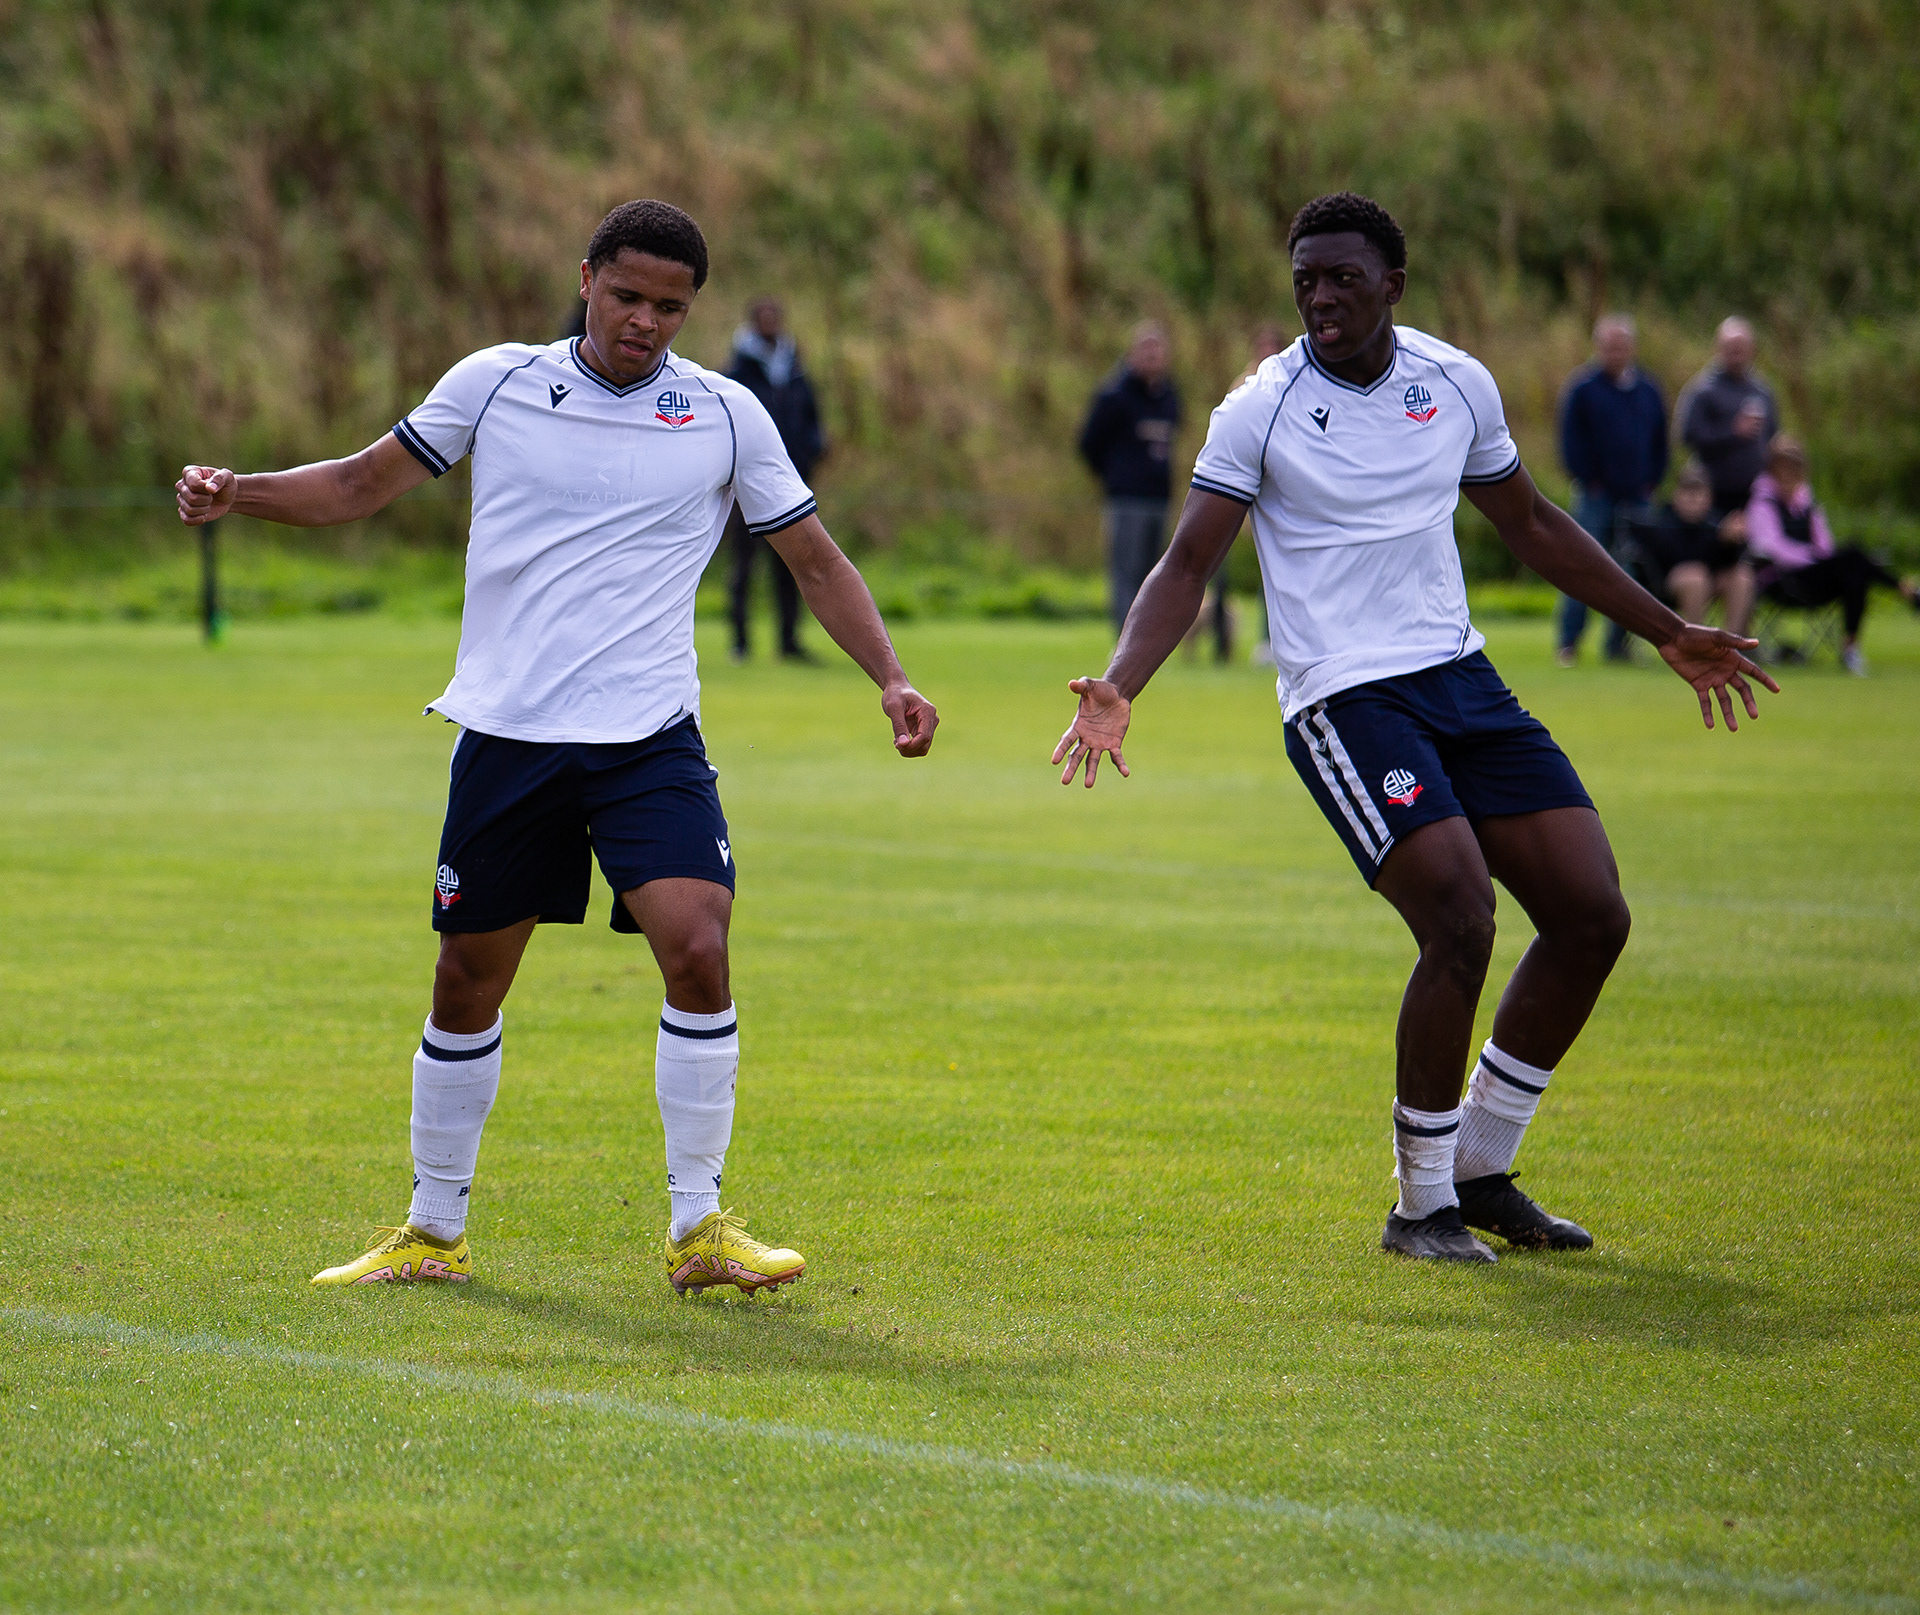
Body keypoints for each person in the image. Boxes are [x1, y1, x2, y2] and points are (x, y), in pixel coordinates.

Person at [175, 200, 939, 1295]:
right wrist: (237, 492)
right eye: (627, 296)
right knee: (467, 982)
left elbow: (813, 557)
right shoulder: (495, 382)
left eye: (669, 307)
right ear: (586, 279)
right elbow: (358, 484)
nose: (644, 321)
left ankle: (699, 1227)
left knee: (700, 947)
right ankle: (433, 1231)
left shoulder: (726, 413)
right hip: (511, 735)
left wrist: (892, 676)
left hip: (649, 738)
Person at [1052, 192, 1774, 1264]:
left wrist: (1666, 628)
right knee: (1461, 916)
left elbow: (1532, 522)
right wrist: (1121, 682)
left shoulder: (1456, 381)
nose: (1321, 297)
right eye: (1305, 280)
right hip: (1345, 698)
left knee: (1591, 914)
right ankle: (1420, 1205)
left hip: (1461, 679)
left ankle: (1481, 1167)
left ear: (1392, 284)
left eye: (1343, 277)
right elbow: (1188, 562)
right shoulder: (1260, 407)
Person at [1744, 434, 1919, 676]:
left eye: (1794, 472)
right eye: (1783, 471)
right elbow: (1772, 548)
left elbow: (1825, 545)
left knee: (1854, 570)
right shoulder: (1761, 503)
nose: (1788, 479)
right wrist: (1811, 555)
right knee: (1854, 557)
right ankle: (1906, 591)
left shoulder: (1806, 502)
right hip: (1782, 580)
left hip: (1813, 577)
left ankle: (1851, 649)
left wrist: (1818, 550)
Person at [1555, 315, 1668, 665]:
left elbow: (1661, 440)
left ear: (1632, 348)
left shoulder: (1648, 390)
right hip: (1596, 496)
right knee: (1581, 565)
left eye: (1621, 346)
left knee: (1632, 571)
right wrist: (1589, 479)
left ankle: (1617, 646)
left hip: (1638, 496)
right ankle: (1569, 642)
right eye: (1609, 346)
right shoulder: (1582, 389)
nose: (1615, 353)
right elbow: (1570, 442)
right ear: (1598, 347)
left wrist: (1652, 479)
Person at [726, 296, 826, 662]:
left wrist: (813, 449)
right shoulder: (738, 370)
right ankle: (740, 642)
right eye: (763, 317)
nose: (770, 322)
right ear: (753, 322)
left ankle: (789, 641)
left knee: (792, 564)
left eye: (774, 316)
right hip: (743, 484)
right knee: (744, 565)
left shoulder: (794, 367)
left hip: (790, 480)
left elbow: (811, 416)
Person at [1079, 321, 1182, 633]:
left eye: (1157, 350)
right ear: (1132, 354)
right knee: (1126, 571)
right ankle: (1123, 639)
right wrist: (1115, 475)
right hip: (1127, 498)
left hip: (1158, 497)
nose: (1152, 357)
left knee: (1154, 574)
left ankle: (1147, 638)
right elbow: (1089, 443)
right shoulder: (1115, 396)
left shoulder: (1168, 396)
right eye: (1145, 350)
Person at [1634, 462, 1754, 633]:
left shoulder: (1714, 521)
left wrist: (1732, 541)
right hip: (1668, 584)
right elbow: (1679, 557)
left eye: (1699, 493)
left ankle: (1734, 641)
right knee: (1695, 575)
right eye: (1688, 492)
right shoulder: (1663, 521)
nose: (1693, 499)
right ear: (1675, 494)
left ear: (1709, 497)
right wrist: (1719, 540)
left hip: (1709, 580)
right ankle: (1697, 640)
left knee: (1742, 575)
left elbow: (1730, 561)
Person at [1680, 317, 1778, 515]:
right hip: (1713, 494)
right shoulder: (1703, 389)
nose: (1737, 352)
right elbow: (1688, 436)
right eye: (1731, 347)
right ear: (1718, 348)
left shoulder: (1762, 390)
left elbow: (1773, 436)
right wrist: (1732, 432)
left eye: (1741, 346)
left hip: (1755, 493)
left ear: (1752, 349)